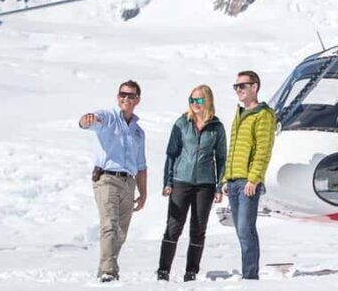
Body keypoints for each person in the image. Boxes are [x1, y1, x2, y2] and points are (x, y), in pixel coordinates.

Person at [79, 80, 148, 283]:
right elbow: (89, 121)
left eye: (130, 95)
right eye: (122, 95)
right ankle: (108, 271)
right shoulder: (108, 117)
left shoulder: (138, 132)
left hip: (129, 182)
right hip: (107, 178)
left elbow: (142, 165)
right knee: (109, 224)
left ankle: (108, 268)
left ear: (137, 100)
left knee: (120, 231)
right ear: (118, 97)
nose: (125, 98)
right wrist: (86, 120)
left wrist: (143, 193)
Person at [157, 85, 227, 282]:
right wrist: (168, 181)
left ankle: (191, 272)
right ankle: (163, 271)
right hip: (181, 181)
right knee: (173, 226)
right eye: (191, 100)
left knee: (198, 228)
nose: (194, 104)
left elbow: (221, 157)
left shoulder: (216, 127)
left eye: (199, 100)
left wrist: (219, 185)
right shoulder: (181, 123)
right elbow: (171, 154)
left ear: (208, 101)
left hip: (205, 184)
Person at [221, 70, 276, 280]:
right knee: (240, 231)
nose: (238, 90)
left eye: (242, 86)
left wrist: (254, 178)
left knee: (246, 229)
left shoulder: (263, 114)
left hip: (247, 182)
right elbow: (233, 149)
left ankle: (250, 277)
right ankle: (248, 273)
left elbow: (263, 149)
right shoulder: (240, 114)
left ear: (255, 87)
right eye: (236, 86)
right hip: (234, 181)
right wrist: (226, 179)